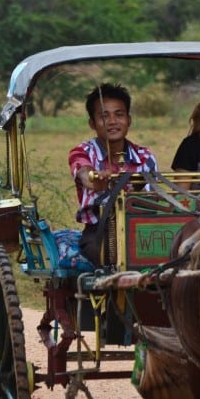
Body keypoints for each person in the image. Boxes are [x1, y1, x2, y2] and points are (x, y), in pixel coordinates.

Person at [68, 83, 158, 266]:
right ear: (92, 123)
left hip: (141, 231)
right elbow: (83, 171)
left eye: (119, 114)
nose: (112, 121)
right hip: (99, 233)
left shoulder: (145, 157)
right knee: (115, 256)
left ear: (128, 120)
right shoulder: (83, 152)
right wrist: (93, 180)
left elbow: (153, 201)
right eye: (104, 116)